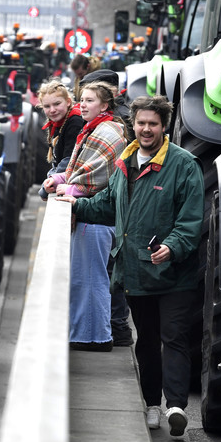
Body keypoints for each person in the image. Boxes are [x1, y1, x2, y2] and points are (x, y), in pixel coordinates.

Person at [56, 95, 204, 437]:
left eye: (153, 123)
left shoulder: (184, 165)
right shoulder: (126, 160)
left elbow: (192, 219)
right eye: (141, 123)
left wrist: (172, 246)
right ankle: (152, 404)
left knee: (175, 337)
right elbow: (108, 205)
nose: (147, 129)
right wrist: (75, 204)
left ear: (164, 126)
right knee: (148, 340)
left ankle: (177, 406)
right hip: (137, 273)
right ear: (133, 124)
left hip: (175, 273)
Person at [42, 80, 127, 352]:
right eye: (82, 100)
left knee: (92, 278)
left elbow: (99, 176)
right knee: (84, 278)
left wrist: (68, 186)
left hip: (97, 219)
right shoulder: (93, 129)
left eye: (89, 101)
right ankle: (85, 334)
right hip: (90, 216)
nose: (83, 106)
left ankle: (96, 338)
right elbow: (82, 169)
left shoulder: (107, 131)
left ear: (104, 105)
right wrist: (58, 177)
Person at [80, 69, 135, 347]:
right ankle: (118, 327)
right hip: (110, 210)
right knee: (111, 271)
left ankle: (116, 328)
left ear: (108, 97)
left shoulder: (114, 124)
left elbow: (109, 171)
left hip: (108, 212)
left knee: (108, 274)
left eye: (90, 97)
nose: (84, 105)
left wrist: (74, 186)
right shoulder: (114, 120)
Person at [35, 78, 85, 200]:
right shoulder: (58, 122)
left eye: (57, 104)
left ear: (68, 102)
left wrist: (45, 189)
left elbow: (67, 162)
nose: (52, 110)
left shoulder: (75, 122)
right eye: (47, 106)